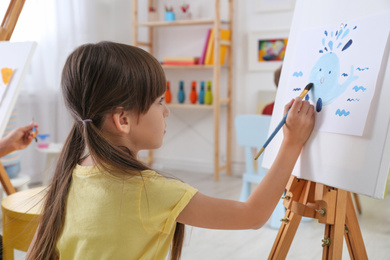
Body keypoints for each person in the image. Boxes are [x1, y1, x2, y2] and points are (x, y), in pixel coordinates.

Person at [27, 42, 315, 260]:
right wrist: (292, 143)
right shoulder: (149, 190)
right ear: (123, 120)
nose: (166, 110)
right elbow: (252, 216)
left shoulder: (70, 173)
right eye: (159, 101)